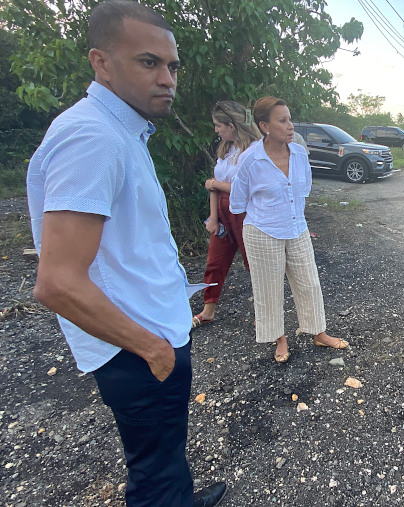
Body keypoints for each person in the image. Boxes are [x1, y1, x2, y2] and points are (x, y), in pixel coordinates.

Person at [26, 1, 226, 505]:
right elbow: (57, 282)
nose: (167, 78)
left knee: (163, 454)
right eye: (148, 62)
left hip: (149, 330)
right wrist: (152, 348)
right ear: (102, 62)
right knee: (153, 479)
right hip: (135, 346)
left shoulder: (118, 129)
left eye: (172, 66)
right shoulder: (92, 137)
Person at [229, 96, 348, 363]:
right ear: (264, 126)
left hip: (296, 227)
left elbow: (303, 190)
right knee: (268, 289)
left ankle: (319, 332)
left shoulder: (298, 153)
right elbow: (238, 203)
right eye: (282, 120)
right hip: (262, 231)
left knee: (309, 283)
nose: (290, 126)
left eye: (289, 119)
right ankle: (280, 339)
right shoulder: (250, 160)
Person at [193, 101, 260, 328]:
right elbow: (214, 186)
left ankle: (266, 314)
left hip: (243, 212)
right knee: (215, 260)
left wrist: (214, 183)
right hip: (222, 211)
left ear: (231, 125)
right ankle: (208, 310)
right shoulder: (226, 150)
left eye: (218, 125)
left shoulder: (253, 150)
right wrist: (213, 218)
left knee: (254, 263)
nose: (216, 130)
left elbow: (245, 189)